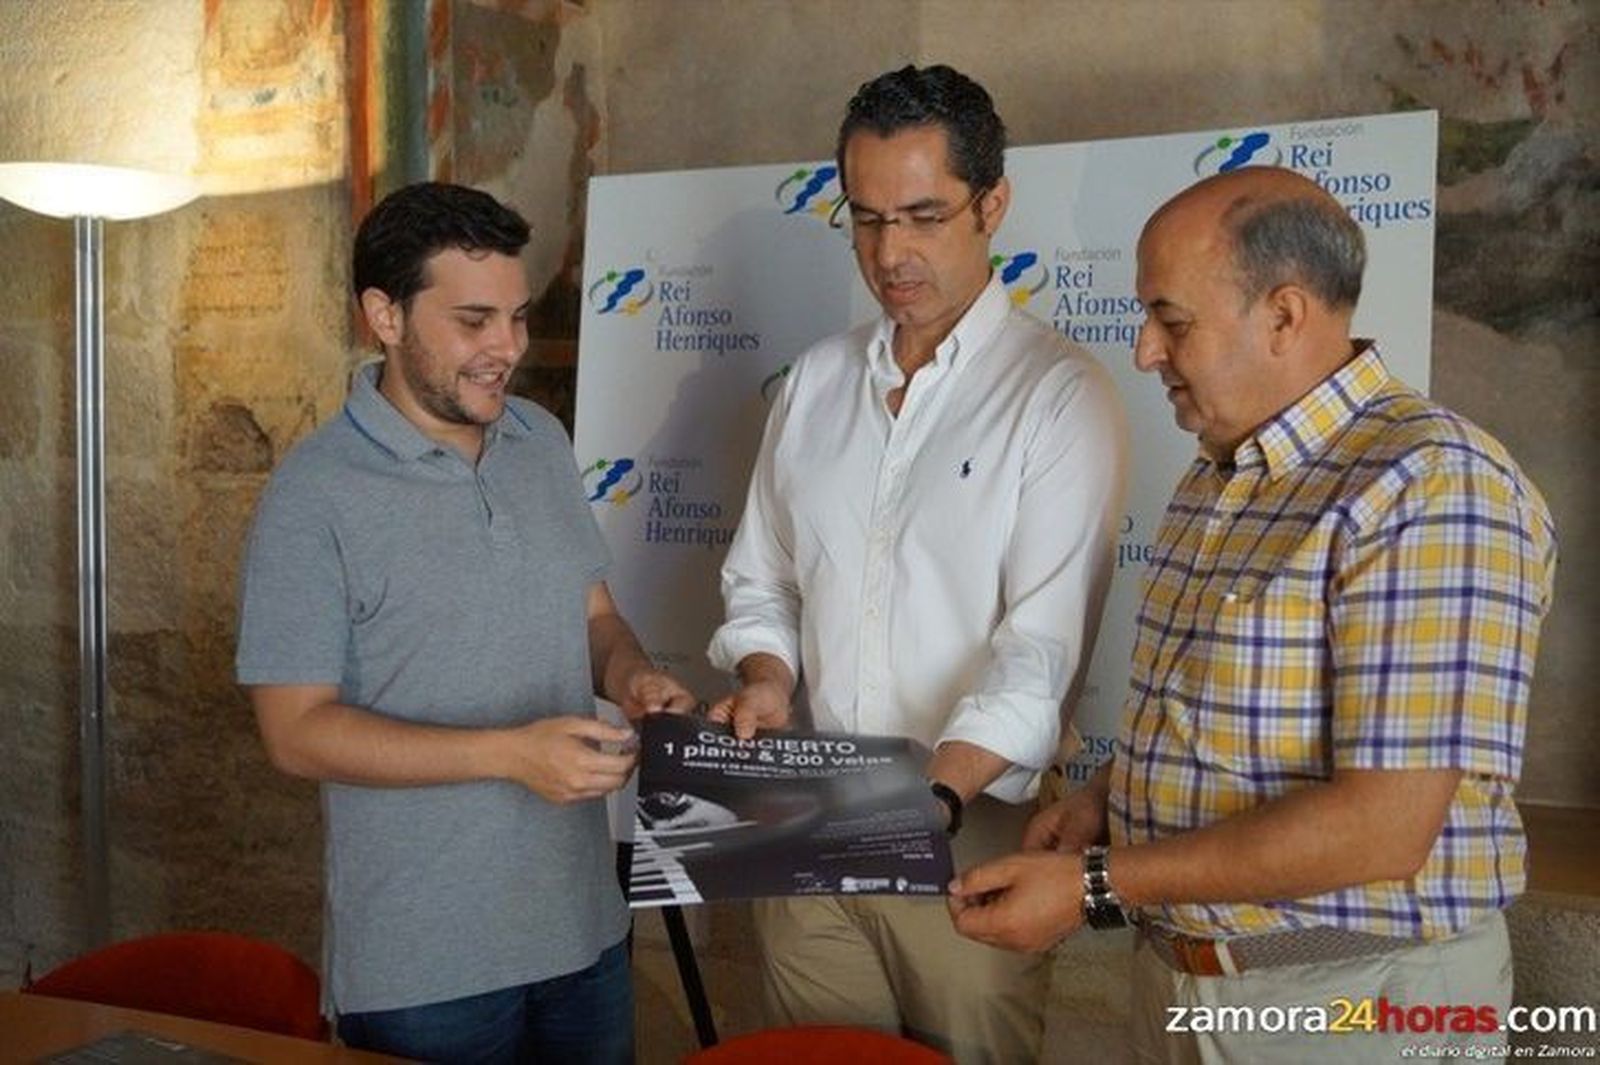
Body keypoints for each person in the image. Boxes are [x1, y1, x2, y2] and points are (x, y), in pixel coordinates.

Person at [949, 166, 1558, 1062]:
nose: (1146, 351)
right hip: (1189, 982)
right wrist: (1106, 803)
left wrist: (1092, 883)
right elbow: (1232, 714)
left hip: (1358, 1005)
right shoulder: (1219, 474)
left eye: (1172, 320)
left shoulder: (1431, 486)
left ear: (1284, 315)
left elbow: (1384, 825)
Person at [707, 65, 1129, 1062]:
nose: (889, 252)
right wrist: (766, 679)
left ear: (993, 205)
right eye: (863, 219)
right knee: (809, 1053)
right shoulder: (813, 382)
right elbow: (760, 578)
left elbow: (1040, 651)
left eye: (923, 215)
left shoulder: (1058, 394)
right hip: (814, 811)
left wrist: (924, 804)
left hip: (969, 826)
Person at [235, 181, 695, 1063]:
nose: (507, 348)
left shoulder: (542, 441)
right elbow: (293, 733)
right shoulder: (312, 496)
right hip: (424, 970)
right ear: (386, 315)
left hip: (586, 930)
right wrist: (508, 753)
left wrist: (632, 676)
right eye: (474, 320)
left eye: (518, 318)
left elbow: (592, 613)